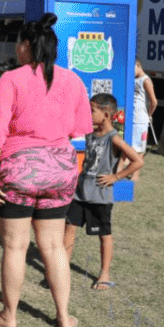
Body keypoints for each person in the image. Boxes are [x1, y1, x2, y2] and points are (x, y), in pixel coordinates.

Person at [0, 13, 92, 327]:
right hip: (60, 170)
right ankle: (64, 317)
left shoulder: (11, 79)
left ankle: (9, 315)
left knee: (16, 246)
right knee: (54, 246)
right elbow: (79, 129)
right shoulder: (72, 81)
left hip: (19, 169)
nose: (17, 48)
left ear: (27, 47)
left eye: (19, 43)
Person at [65, 93, 144, 291]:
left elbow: (138, 161)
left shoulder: (114, 138)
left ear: (107, 114)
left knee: (104, 234)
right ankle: (61, 271)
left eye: (92, 111)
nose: (87, 114)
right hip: (80, 193)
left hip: (100, 196)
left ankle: (104, 274)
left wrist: (115, 177)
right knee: (69, 228)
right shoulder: (91, 135)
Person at [128, 59, 157, 180]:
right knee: (130, 148)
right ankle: (128, 171)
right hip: (132, 118)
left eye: (132, 67)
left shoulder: (146, 80)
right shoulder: (134, 79)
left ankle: (135, 175)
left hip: (141, 120)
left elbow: (154, 101)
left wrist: (149, 114)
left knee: (139, 149)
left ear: (138, 65)